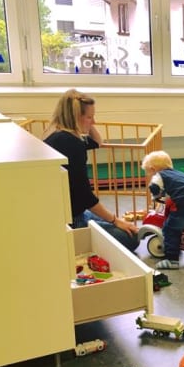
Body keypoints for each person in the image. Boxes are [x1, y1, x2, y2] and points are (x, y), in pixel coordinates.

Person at [43, 89, 139, 251]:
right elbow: (85, 196)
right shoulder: (71, 144)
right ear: (75, 117)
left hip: (67, 211)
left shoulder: (60, 135)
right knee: (130, 237)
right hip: (72, 217)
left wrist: (86, 125)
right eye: (89, 117)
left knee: (122, 226)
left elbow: (97, 142)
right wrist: (115, 220)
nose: (93, 121)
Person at [142, 150, 184, 270]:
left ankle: (172, 259)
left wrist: (155, 197)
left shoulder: (159, 176)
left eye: (149, 173)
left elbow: (155, 187)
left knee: (170, 228)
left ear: (152, 169)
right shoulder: (180, 174)